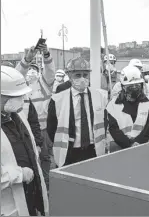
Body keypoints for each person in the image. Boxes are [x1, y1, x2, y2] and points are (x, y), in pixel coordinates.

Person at [1, 66, 49, 216]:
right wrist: (18, 174)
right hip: (8, 205)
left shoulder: (16, 115)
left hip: (30, 195)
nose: (20, 99)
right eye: (14, 96)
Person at [46, 57, 108, 168]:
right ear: (69, 76)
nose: (82, 79)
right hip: (68, 152)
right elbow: (52, 128)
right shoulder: (57, 99)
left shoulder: (99, 96)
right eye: (78, 75)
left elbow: (104, 121)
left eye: (85, 75)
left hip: (93, 150)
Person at [16, 44, 55, 191]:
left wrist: (46, 55)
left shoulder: (43, 84)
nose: (31, 72)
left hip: (43, 132)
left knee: (45, 160)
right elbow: (16, 73)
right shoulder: (19, 86)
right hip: (25, 132)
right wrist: (27, 59)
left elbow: (50, 71)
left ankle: (47, 188)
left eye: (34, 69)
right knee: (28, 161)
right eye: (29, 69)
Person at [106, 65, 149, 149]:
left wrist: (138, 143)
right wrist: (129, 145)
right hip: (121, 147)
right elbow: (113, 129)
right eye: (131, 86)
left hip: (144, 145)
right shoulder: (113, 105)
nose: (135, 88)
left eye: (137, 85)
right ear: (123, 86)